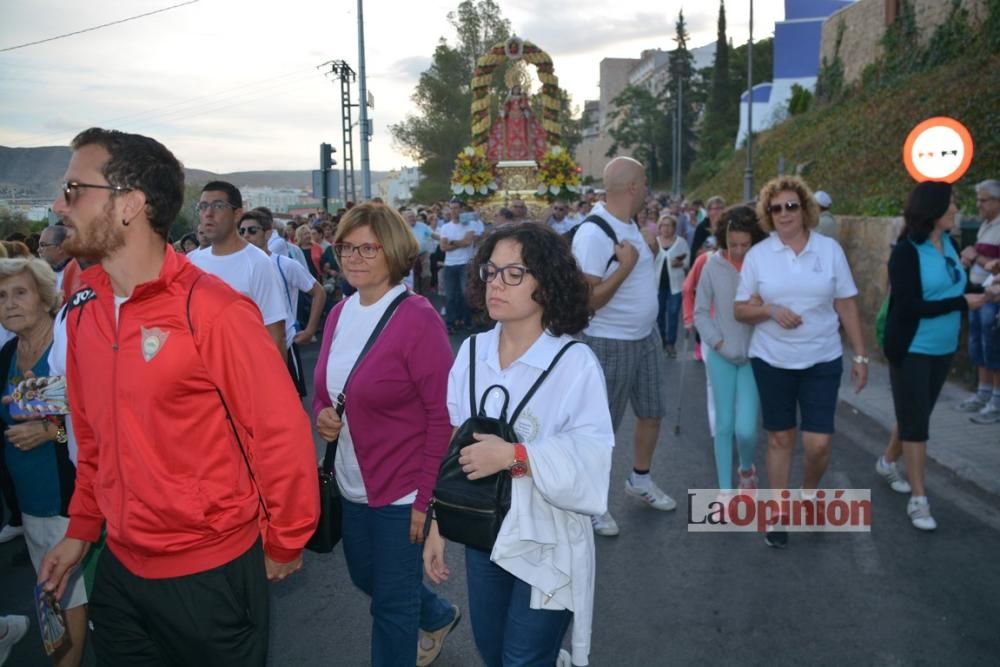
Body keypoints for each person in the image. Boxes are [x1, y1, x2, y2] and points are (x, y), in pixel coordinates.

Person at [38, 128, 318, 665]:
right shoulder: (85, 312)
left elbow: (280, 434)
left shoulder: (213, 311)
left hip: (209, 575)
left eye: (74, 189)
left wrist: (285, 540)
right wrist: (81, 529)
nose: (58, 205)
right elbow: (93, 438)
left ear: (131, 205)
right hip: (119, 569)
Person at [424, 223, 613, 667]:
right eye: (491, 271)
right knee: (492, 652)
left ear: (546, 284)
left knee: (521, 659)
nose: (496, 283)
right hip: (484, 535)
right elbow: (455, 447)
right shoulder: (471, 353)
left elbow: (593, 456)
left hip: (548, 542)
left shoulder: (574, 363)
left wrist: (515, 456)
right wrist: (436, 522)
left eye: (515, 273)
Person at [312, 203, 459, 667]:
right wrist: (322, 415)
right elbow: (326, 392)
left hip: (403, 488)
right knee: (366, 577)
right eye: (345, 247)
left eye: (367, 248)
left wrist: (426, 502)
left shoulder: (417, 319)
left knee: (392, 609)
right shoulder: (339, 314)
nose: (352, 257)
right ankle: (436, 614)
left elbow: (444, 416)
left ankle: (421, 618)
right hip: (353, 482)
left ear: (392, 251)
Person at [734, 175, 868, 549]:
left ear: (806, 209)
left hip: (822, 359)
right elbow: (741, 308)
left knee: (818, 444)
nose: (784, 213)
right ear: (768, 214)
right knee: (779, 437)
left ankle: (808, 494)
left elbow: (846, 303)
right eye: (775, 208)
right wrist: (771, 310)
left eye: (791, 205)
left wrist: (859, 354)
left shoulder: (829, 252)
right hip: (772, 360)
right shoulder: (759, 256)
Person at [571, 157, 675, 538]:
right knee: (602, 431)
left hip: (643, 337)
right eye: (645, 181)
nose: (648, 187)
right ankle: (590, 504)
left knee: (652, 413)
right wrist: (626, 267)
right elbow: (587, 302)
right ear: (632, 187)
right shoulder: (594, 233)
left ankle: (640, 480)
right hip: (609, 342)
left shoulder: (629, 225)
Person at [878, 181, 988, 530]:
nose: (957, 210)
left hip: (942, 347)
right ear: (934, 210)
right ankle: (919, 500)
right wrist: (961, 303)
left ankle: (886, 461)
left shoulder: (951, 245)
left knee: (916, 413)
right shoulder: (906, 252)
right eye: (951, 204)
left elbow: (957, 287)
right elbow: (910, 306)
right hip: (912, 347)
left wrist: (985, 292)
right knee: (917, 425)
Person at [0, 258, 88, 667]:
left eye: (20, 293)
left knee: (61, 594)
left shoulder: (67, 344)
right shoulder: (6, 354)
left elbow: (98, 419)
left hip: (67, 499)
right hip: (30, 505)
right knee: (51, 592)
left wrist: (50, 432)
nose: (9, 304)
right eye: (1, 296)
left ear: (44, 297)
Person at [694, 207, 767, 495]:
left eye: (745, 244)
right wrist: (717, 342)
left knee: (746, 429)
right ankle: (725, 491)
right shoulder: (712, 265)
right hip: (721, 355)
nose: (738, 250)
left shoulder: (762, 264)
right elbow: (700, 312)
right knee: (723, 425)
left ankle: (746, 469)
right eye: (733, 244)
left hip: (753, 357)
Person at [188, 181, 287, 360]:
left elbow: (275, 334)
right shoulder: (192, 262)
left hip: (242, 374)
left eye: (218, 206)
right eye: (203, 206)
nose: (208, 213)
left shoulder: (258, 263)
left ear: (237, 214)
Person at [238, 210, 325, 396]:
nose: (246, 236)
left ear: (268, 233)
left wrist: (310, 330)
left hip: (283, 344)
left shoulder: (284, 264)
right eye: (242, 231)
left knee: (289, 401)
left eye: (252, 230)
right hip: (248, 350)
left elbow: (318, 292)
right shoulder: (238, 267)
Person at [956, 179, 1000, 423]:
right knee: (978, 343)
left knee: (992, 344)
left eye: (984, 200)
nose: (978, 205)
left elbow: (995, 265)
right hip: (979, 294)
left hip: (994, 296)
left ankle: (996, 398)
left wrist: (977, 257)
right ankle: (983, 392)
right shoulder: (986, 225)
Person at [439, 200, 483, 333]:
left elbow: (468, 242)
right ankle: (451, 322)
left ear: (461, 209)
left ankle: (467, 320)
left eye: (456, 208)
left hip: (465, 263)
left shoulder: (470, 225)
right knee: (451, 295)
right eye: (451, 208)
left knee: (465, 294)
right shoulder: (446, 227)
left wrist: (451, 242)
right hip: (450, 264)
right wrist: (458, 242)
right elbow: (443, 247)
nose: (454, 211)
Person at [654, 214, 689, 357]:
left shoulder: (681, 242)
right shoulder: (654, 242)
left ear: (674, 228)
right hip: (657, 285)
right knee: (659, 314)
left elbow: (688, 260)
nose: (666, 228)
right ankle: (661, 340)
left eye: (669, 225)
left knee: (673, 314)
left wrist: (680, 263)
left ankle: (671, 343)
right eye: (663, 225)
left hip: (675, 285)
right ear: (659, 227)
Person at [37, 225, 71, 290]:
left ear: (60, 248)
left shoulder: (78, 273)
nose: (38, 250)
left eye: (42, 245)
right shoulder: (39, 274)